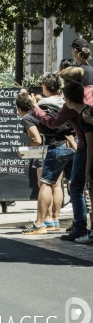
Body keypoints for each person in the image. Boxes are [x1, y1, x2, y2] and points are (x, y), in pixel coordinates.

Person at [29, 67, 93, 241]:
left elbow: (52, 122)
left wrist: (35, 107)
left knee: (77, 187)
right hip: (79, 143)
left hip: (83, 145)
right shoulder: (90, 91)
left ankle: (80, 227)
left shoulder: (71, 101)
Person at [17, 75, 74, 234]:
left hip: (54, 146)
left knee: (46, 183)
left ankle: (40, 223)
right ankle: (55, 220)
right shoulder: (66, 102)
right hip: (72, 145)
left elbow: (31, 122)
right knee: (63, 184)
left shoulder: (41, 105)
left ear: (44, 86)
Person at [62, 81, 93, 243]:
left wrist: (87, 170)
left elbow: (90, 146)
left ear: (68, 100)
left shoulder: (84, 117)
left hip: (89, 157)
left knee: (78, 188)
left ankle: (82, 227)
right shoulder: (87, 113)